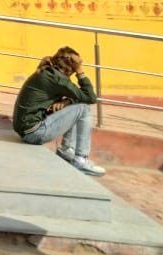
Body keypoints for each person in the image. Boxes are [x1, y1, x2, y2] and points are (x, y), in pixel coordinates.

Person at [12, 46, 106, 176]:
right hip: (34, 133)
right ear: (70, 66)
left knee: (76, 105)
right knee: (83, 108)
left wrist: (67, 101)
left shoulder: (50, 73)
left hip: (26, 130)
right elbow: (90, 97)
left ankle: (66, 151)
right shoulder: (58, 79)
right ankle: (81, 160)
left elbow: (78, 96)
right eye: (76, 65)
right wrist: (80, 71)